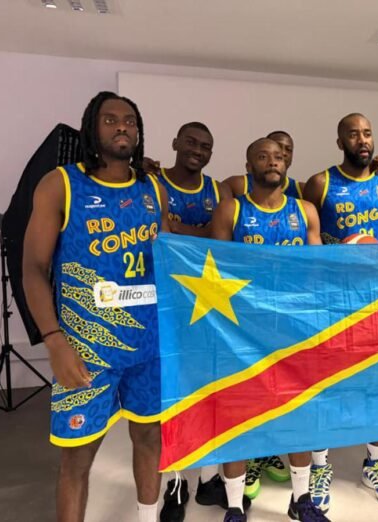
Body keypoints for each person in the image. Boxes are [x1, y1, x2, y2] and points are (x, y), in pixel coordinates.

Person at [23, 91, 168, 522]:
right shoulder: (61, 184)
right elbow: (33, 267)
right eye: (110, 119)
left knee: (150, 439)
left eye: (130, 120)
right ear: (91, 128)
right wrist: (54, 341)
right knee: (77, 459)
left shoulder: (152, 189)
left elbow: (169, 258)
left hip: (149, 347)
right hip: (86, 350)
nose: (122, 126)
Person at [210, 138, 328, 522]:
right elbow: (216, 271)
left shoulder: (305, 211)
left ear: (286, 164)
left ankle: (302, 499)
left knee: (298, 414)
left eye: (278, 157)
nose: (272, 162)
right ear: (249, 166)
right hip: (243, 332)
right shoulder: (231, 209)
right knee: (237, 417)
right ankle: (234, 506)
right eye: (263, 157)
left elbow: (315, 272)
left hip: (292, 329)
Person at [303, 113, 378, 510]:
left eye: (367, 133)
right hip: (334, 299)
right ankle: (319, 466)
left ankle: (374, 464)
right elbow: (306, 236)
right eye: (353, 134)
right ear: (340, 141)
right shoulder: (320, 183)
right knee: (325, 384)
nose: (362, 140)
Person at [157, 122, 246, 522]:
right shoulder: (154, 181)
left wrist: (183, 230)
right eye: (190, 142)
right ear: (175, 143)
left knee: (211, 391)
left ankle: (209, 478)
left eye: (205, 146)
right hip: (169, 302)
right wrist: (200, 233)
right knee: (176, 392)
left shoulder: (218, 190)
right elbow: (160, 232)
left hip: (211, 303)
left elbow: (219, 236)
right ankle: (175, 483)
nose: (197, 149)